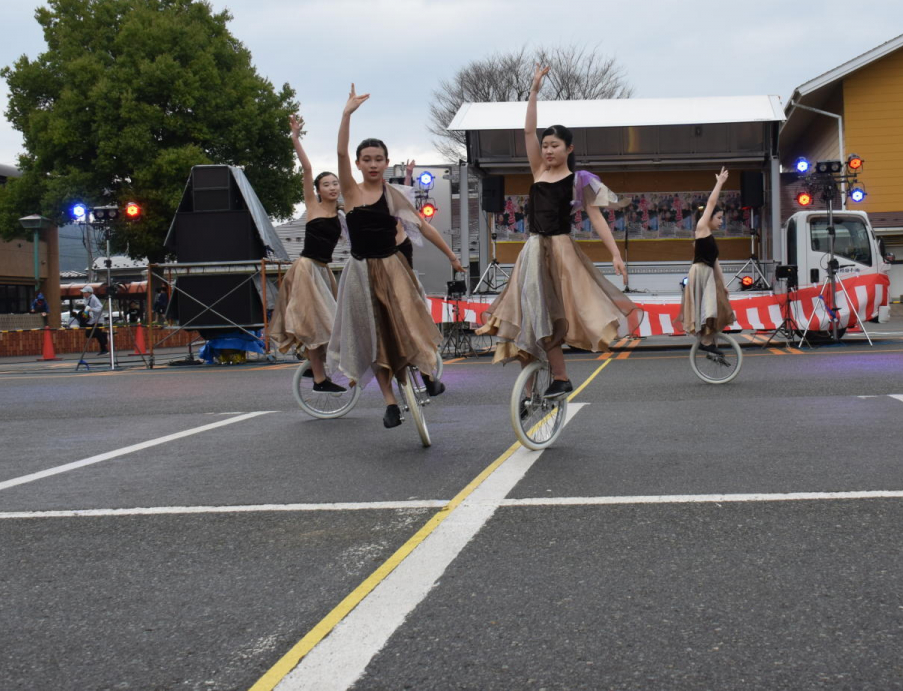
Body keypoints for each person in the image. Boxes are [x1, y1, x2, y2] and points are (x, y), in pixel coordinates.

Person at [477, 65, 641, 398]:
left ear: (569, 149)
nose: (548, 150)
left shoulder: (579, 180)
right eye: (546, 145)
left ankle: (562, 377)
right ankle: (530, 394)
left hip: (561, 251)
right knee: (528, 316)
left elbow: (596, 218)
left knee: (547, 313)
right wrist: (534, 90)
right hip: (532, 250)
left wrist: (615, 254)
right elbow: (527, 133)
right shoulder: (538, 170)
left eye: (554, 145)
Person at [326, 85, 462, 429]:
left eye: (378, 159)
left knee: (410, 323)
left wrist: (452, 256)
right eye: (366, 159)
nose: (372, 164)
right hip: (360, 272)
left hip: (392, 267)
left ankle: (429, 373)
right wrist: (346, 114)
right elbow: (340, 153)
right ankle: (389, 403)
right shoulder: (352, 192)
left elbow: (425, 228)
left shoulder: (394, 195)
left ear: (387, 163)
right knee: (373, 337)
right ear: (358, 164)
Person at [268, 115, 346, 392]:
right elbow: (307, 168)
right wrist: (295, 138)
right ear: (318, 191)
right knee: (316, 323)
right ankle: (319, 378)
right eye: (327, 184)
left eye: (335, 183)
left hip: (323, 271)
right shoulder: (313, 207)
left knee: (332, 322)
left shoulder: (341, 213)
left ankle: (315, 367)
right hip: (306, 270)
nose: (333, 187)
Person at [678, 168, 737, 354]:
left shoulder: (710, 237)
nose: (721, 221)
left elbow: (716, 262)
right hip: (700, 273)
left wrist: (724, 285)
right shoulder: (701, 228)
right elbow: (711, 202)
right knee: (708, 308)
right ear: (708, 217)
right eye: (719, 218)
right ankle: (706, 341)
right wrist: (720, 183)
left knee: (718, 307)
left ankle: (709, 339)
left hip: (708, 274)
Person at [81, 285, 109, 354]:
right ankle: (104, 335)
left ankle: (104, 350)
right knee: (88, 334)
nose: (83, 294)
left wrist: (92, 309)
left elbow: (100, 308)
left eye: (85, 292)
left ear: (89, 293)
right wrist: (85, 314)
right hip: (91, 320)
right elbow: (86, 309)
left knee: (97, 334)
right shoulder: (86, 299)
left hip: (98, 319)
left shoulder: (94, 298)